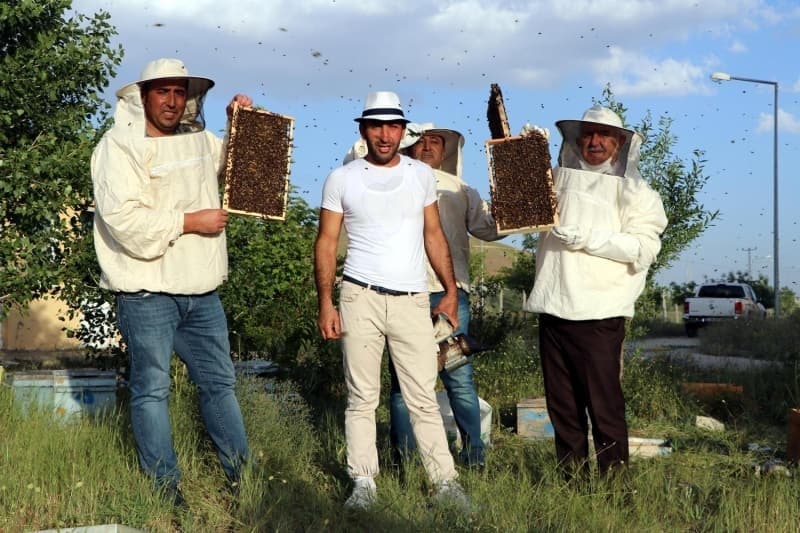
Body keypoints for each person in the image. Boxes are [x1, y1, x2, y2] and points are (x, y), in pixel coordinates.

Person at [91, 58, 252, 506]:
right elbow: (122, 219)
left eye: (180, 92)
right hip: (146, 293)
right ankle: (166, 492)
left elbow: (237, 169)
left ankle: (245, 480)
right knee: (152, 391)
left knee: (220, 385)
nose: (172, 101)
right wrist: (190, 221)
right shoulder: (118, 146)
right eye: (162, 91)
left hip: (202, 290)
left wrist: (239, 124)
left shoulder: (199, 140)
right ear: (142, 97)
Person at [315, 91, 469, 510]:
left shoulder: (421, 175)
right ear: (363, 129)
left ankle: (446, 484)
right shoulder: (342, 178)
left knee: (422, 396)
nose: (385, 135)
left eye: (393, 126)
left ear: (403, 131)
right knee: (362, 396)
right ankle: (363, 483)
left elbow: (433, 234)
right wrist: (326, 303)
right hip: (358, 296)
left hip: (412, 299)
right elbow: (327, 242)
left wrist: (450, 291)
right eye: (376, 126)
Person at [523, 105, 668, 477]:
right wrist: (525, 155)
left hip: (600, 314)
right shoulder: (554, 179)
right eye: (588, 133)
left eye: (604, 135)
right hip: (553, 307)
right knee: (563, 408)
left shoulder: (638, 193)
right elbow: (517, 208)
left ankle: (614, 486)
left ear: (619, 143)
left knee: (604, 407)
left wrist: (587, 238)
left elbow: (643, 249)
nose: (595, 141)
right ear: (576, 139)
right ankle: (571, 482)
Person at [387, 122, 501, 469]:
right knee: (403, 382)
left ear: (446, 151)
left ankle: (474, 457)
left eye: (435, 142)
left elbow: (488, 228)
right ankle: (406, 462)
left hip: (450, 295)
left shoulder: (460, 188)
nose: (427, 147)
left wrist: (516, 203)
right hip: (402, 293)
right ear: (409, 145)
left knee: (458, 376)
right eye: (420, 141)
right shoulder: (390, 179)